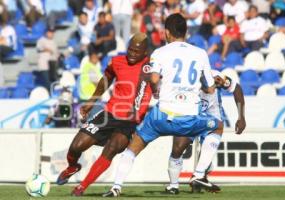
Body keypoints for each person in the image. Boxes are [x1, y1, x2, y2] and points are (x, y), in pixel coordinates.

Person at [102, 13, 223, 197]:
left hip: (161, 115)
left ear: (167, 32)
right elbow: (210, 89)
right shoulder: (200, 54)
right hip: (189, 117)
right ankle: (198, 174)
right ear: (186, 32)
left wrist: (156, 90)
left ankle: (116, 187)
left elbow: (154, 78)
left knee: (134, 147)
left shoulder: (159, 53)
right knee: (218, 127)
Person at [56, 33, 153, 197]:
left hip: (130, 120)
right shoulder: (117, 62)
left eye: (136, 52)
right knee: (76, 146)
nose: (132, 54)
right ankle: (72, 166)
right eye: (130, 50)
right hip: (108, 114)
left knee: (111, 148)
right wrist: (91, 102)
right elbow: (105, 80)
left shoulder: (152, 66)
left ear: (145, 53)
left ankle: (81, 187)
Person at [165, 69, 246, 194]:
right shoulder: (182, 78)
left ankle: (199, 175)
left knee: (206, 152)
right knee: (178, 147)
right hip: (189, 116)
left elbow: (237, 89)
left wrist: (241, 116)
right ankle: (173, 186)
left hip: (211, 117)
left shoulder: (216, 76)